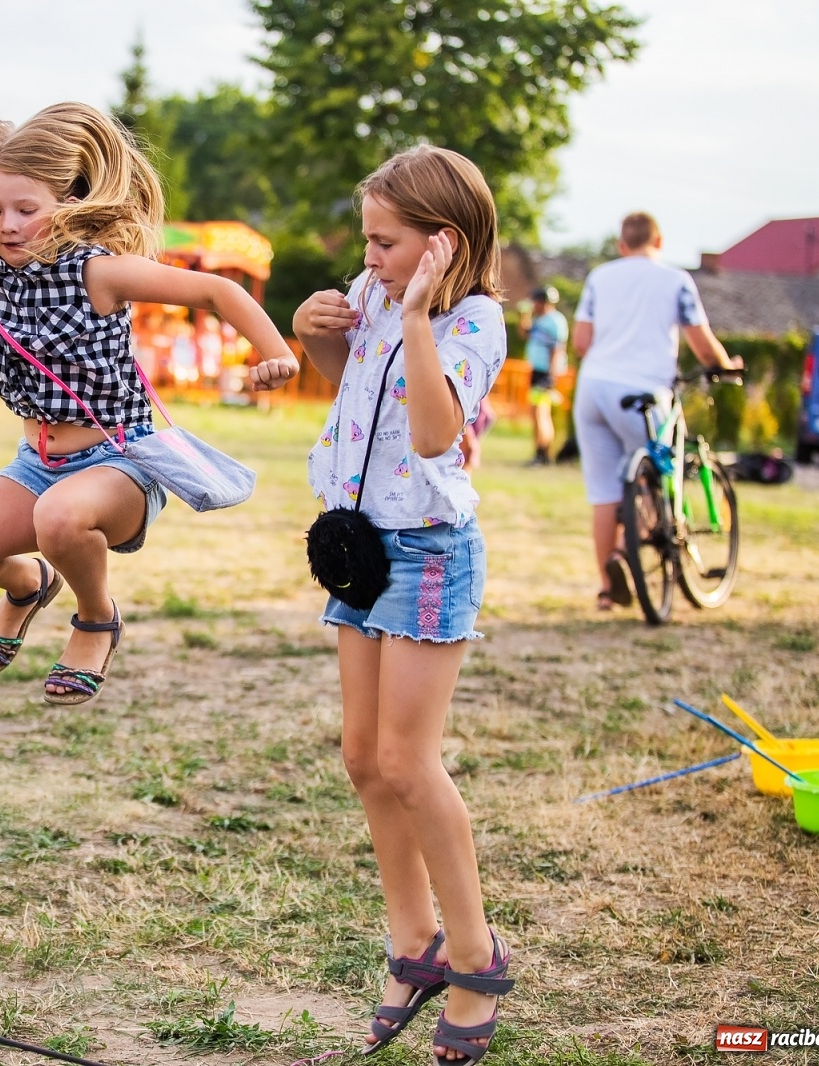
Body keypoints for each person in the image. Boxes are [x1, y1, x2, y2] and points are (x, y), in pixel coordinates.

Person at [0, 102, 297, 704]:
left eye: (27, 209)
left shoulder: (98, 272)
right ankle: (28, 583)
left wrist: (271, 351)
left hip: (120, 462)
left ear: (69, 204)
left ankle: (97, 617)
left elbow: (215, 290)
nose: (8, 224)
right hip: (36, 465)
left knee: (59, 516)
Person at [292, 145, 512, 1065]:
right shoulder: (375, 292)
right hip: (359, 541)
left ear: (440, 244)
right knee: (361, 757)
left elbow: (429, 432)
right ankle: (412, 941)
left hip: (427, 551)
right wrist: (316, 334)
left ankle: (475, 956)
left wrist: (417, 315)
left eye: (384, 243)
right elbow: (349, 388)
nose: (368, 258)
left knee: (409, 761)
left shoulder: (475, 323)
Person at [570, 212, 740, 611]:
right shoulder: (676, 280)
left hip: (593, 390)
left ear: (621, 244)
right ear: (659, 241)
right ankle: (638, 548)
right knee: (650, 479)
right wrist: (727, 366)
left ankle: (608, 586)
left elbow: (580, 341)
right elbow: (702, 344)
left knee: (604, 494)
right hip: (645, 390)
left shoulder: (600, 277)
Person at [519, 285, 569, 465]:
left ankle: (543, 454)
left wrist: (551, 376)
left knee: (541, 413)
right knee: (536, 413)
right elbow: (526, 334)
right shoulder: (540, 320)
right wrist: (524, 317)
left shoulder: (555, 321)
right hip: (537, 370)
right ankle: (540, 452)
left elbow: (557, 349)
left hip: (545, 372)